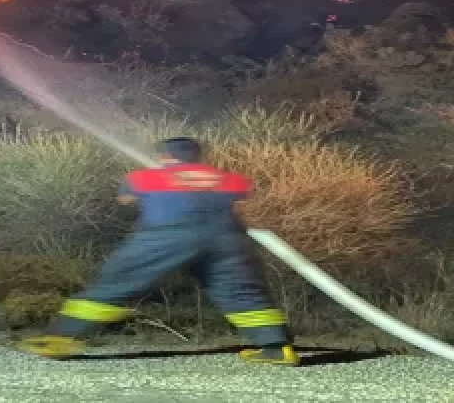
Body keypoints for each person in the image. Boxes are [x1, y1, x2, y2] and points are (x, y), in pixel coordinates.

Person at [18, 137, 299, 365]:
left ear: (164, 156)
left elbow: (124, 200)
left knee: (114, 283)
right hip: (227, 239)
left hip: (166, 237)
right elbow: (245, 196)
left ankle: (59, 338)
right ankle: (277, 348)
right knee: (241, 292)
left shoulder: (144, 177)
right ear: (197, 156)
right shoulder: (228, 178)